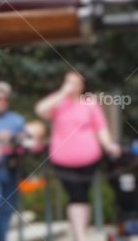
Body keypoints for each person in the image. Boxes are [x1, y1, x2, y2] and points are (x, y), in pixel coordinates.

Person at [35, 71, 121, 241]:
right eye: (68, 81)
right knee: (75, 195)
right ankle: (80, 235)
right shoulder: (58, 101)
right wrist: (62, 93)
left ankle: (81, 233)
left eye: (75, 82)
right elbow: (40, 110)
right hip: (63, 159)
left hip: (89, 158)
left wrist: (109, 145)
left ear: (82, 85)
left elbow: (101, 128)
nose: (71, 85)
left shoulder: (89, 103)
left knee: (82, 195)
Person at [0, 81, 27, 241]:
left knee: (9, 207)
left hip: (12, 167)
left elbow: (29, 136)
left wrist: (19, 137)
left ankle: (1, 237)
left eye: (5, 99)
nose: (2, 102)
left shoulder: (16, 119)